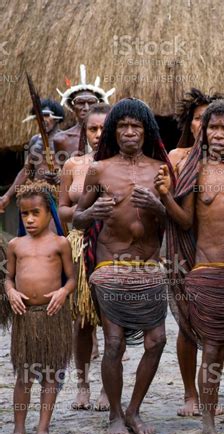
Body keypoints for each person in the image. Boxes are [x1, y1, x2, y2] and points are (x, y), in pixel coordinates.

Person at [156, 99, 224, 434]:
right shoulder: (194, 171)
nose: (217, 134)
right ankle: (209, 430)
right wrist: (166, 197)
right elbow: (184, 222)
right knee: (212, 352)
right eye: (212, 127)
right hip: (206, 273)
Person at [73, 98, 170, 434]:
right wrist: (93, 212)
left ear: (146, 131)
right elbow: (76, 218)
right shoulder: (99, 169)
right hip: (110, 266)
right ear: (115, 131)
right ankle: (114, 415)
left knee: (157, 341)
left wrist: (158, 206)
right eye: (123, 126)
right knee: (113, 343)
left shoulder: (160, 168)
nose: (129, 132)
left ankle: (133, 410)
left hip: (148, 268)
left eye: (136, 126)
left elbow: (175, 221)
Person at [2, 181, 75, 434]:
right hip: (25, 318)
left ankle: (43, 430)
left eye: (36, 213)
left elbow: (72, 280)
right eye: (25, 214)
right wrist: (10, 292)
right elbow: (9, 279)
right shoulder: (16, 245)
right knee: (23, 376)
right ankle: (18, 430)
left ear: (49, 213)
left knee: (50, 375)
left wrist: (62, 293)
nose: (30, 219)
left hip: (52, 317)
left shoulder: (61, 243)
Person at [167, 88, 224, 417]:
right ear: (190, 124)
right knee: (187, 324)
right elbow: (169, 202)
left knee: (219, 326)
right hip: (182, 248)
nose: (205, 124)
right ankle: (191, 393)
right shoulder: (177, 158)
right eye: (199, 118)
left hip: (216, 253)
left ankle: (212, 390)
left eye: (212, 119)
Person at [59, 103, 111, 411]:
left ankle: (108, 385)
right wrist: (87, 213)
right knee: (82, 321)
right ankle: (82, 384)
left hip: (112, 247)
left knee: (111, 321)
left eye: (104, 128)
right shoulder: (74, 165)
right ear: (84, 131)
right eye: (92, 129)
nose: (98, 134)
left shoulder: (121, 166)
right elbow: (63, 209)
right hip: (79, 246)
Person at [0, 99, 65, 212]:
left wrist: (61, 177)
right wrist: (7, 196)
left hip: (58, 195)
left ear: (56, 118)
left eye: (46, 115)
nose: (42, 119)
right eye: (38, 116)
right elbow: (26, 171)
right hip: (37, 195)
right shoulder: (35, 140)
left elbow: (74, 171)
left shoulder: (64, 140)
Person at [55, 64, 115, 158]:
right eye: (80, 102)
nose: (86, 107)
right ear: (72, 106)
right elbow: (61, 170)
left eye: (91, 102)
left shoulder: (112, 137)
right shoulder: (61, 139)